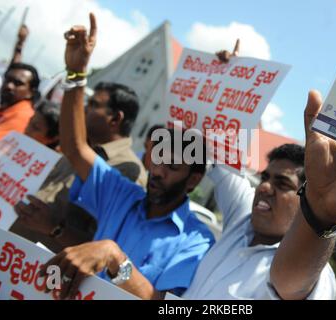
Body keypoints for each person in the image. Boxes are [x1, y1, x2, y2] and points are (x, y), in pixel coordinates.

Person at [179, 45, 336, 300]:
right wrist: (224, 77)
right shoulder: (242, 218)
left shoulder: (315, 275)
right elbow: (215, 145)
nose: (264, 188)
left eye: (282, 184)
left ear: (304, 196)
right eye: (265, 178)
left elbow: (291, 283)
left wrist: (325, 211)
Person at [40, 13, 215, 300]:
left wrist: (115, 259)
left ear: (193, 180)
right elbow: (74, 148)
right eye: (156, 159)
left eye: (172, 165)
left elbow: (162, 302)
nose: (158, 171)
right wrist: (76, 75)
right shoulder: (120, 193)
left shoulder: (196, 240)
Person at [11, 82, 148, 253]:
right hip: (7, 253)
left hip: (43, 270)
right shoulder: (76, 149)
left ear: (115, 119)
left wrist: (55, 228)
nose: (83, 109)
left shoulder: (127, 172)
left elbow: (106, 249)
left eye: (93, 105)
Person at [0, 62, 40, 151]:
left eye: (18, 83)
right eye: (7, 80)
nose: (9, 86)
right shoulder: (6, 109)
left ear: (31, 92)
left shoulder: (22, 115)